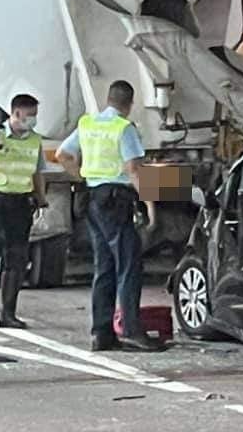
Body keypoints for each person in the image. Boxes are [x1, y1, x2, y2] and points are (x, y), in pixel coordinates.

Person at [56, 80, 161, 352]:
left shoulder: (88, 123)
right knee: (128, 266)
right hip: (116, 200)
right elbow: (134, 171)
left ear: (109, 99)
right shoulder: (123, 128)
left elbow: (62, 154)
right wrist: (151, 207)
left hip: (93, 198)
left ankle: (101, 333)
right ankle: (131, 330)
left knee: (104, 267)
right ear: (130, 103)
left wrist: (83, 175)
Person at [0, 93, 48, 331]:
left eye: (35, 115)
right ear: (16, 114)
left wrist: (42, 200)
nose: (33, 120)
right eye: (30, 115)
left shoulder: (35, 140)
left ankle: (8, 314)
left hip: (22, 204)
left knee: (17, 261)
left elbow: (37, 172)